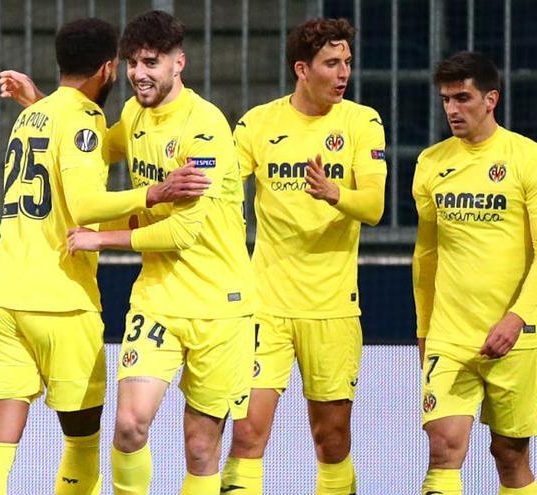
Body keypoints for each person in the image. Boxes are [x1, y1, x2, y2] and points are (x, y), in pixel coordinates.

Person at [0, 17, 210, 495]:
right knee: (81, 444)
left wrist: (37, 99)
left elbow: (63, 159)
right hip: (60, 299)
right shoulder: (85, 118)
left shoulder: (29, 116)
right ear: (108, 68)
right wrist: (154, 193)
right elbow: (84, 206)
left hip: (1, 300)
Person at [66, 11, 257, 494]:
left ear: (179, 63)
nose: (138, 74)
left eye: (151, 62)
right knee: (129, 426)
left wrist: (100, 238)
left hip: (220, 306)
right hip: (157, 301)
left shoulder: (205, 127)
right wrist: (50, 109)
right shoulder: (132, 114)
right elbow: (93, 151)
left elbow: (183, 233)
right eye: (132, 63)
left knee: (199, 450)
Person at [220, 18, 386, 495]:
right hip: (264, 305)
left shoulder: (362, 121)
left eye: (347, 63)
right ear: (302, 69)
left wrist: (335, 193)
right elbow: (225, 193)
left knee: (330, 439)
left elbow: (374, 206)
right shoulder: (258, 123)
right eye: (332, 64)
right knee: (248, 433)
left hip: (331, 306)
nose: (343, 74)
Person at [413, 51, 537, 495]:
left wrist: (517, 318)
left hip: (516, 335)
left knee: (510, 454)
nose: (451, 109)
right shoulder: (430, 163)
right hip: (450, 335)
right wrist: (425, 327)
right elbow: (426, 254)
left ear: (491, 99)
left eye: (462, 98)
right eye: (445, 99)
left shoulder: (527, 159)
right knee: (443, 448)